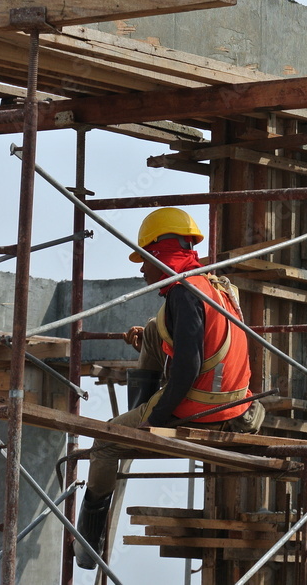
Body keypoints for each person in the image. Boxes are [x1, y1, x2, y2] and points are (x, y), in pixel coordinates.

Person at [74, 207, 264, 569]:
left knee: (104, 440)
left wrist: (157, 417)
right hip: (235, 404)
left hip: (201, 406)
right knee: (150, 329)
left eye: (144, 259)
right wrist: (154, 343)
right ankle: (139, 414)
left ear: (159, 252)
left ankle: (86, 546)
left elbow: (189, 365)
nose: (142, 268)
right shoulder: (211, 285)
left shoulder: (183, 294)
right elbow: (198, 347)